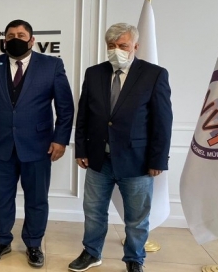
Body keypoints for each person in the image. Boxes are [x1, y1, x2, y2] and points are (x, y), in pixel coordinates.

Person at [0, 19, 74, 268]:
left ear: (32, 40)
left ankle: (34, 244)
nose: (15, 39)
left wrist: (60, 139)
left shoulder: (51, 65)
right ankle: (1, 241)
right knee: (1, 198)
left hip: (38, 146)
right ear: (4, 41)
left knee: (37, 199)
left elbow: (66, 108)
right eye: (10, 36)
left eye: (20, 35)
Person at [68, 23, 172, 272]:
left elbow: (162, 121)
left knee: (136, 217)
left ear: (136, 46)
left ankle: (134, 259)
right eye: (111, 46)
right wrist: (81, 149)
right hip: (98, 159)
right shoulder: (94, 73)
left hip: (137, 161)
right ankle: (91, 252)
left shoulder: (154, 74)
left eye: (123, 46)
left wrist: (158, 160)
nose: (117, 50)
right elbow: (83, 115)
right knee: (93, 211)